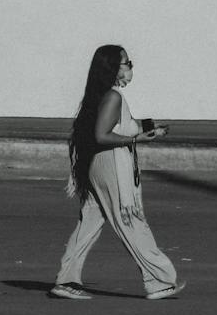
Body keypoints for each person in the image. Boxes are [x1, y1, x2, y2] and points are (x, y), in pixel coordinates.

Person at [50, 44, 184, 300]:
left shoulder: (104, 96)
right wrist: (139, 140)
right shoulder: (113, 97)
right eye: (127, 63)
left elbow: (122, 125)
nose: (130, 67)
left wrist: (148, 126)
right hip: (112, 166)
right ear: (113, 67)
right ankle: (159, 280)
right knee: (131, 221)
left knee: (89, 222)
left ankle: (66, 279)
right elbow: (103, 134)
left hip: (99, 166)